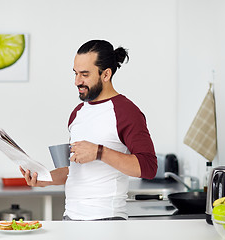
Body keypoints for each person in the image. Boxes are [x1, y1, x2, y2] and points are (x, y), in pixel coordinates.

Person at [20, 39, 157, 221]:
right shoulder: (78, 113)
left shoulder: (126, 112)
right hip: (70, 218)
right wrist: (44, 179)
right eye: (76, 73)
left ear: (106, 74)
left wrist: (99, 152)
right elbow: (75, 171)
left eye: (84, 74)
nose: (77, 81)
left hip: (107, 221)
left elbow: (149, 167)